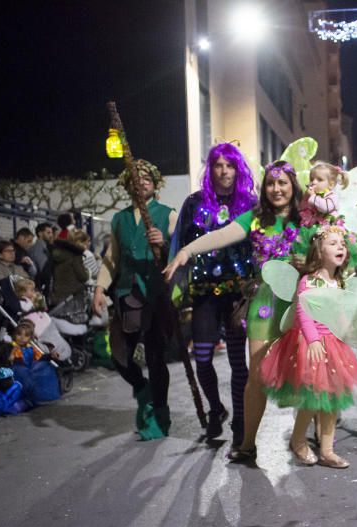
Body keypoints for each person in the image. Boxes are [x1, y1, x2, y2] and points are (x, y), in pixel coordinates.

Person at [164, 160, 304, 459]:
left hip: (301, 303)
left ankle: (302, 440)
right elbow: (222, 235)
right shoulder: (255, 217)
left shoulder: (306, 218)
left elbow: (333, 247)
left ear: (293, 187)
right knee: (257, 375)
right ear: (263, 188)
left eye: (282, 183)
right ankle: (247, 443)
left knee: (309, 372)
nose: (276, 189)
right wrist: (187, 251)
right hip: (265, 302)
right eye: (271, 183)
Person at [171, 142, 257, 444]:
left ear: (238, 169)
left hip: (237, 295)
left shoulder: (249, 204)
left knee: (237, 362)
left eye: (230, 165)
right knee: (203, 357)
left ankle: (241, 423)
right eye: (218, 165)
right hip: (205, 294)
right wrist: (176, 291)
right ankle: (216, 409)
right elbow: (178, 247)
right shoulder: (194, 203)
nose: (224, 171)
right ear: (210, 169)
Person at [260, 226, 357, 468]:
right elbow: (302, 311)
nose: (340, 247)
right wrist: (313, 339)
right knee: (312, 399)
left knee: (334, 399)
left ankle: (327, 449)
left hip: (335, 345)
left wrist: (348, 331)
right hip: (312, 345)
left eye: (342, 244)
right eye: (333, 243)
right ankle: (298, 440)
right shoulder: (310, 280)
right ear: (319, 250)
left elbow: (339, 312)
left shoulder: (337, 282)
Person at [93, 159, 177, 440]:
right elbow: (112, 259)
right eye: (135, 177)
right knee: (118, 355)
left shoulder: (168, 215)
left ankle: (159, 413)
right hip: (127, 293)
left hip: (155, 293)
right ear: (128, 185)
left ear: (155, 183)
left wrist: (163, 244)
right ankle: (143, 389)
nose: (141, 181)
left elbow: (182, 254)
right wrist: (99, 289)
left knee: (155, 357)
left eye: (146, 177)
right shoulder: (120, 219)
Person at [10, 320, 61, 405]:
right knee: (26, 378)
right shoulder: (11, 346)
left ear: (30, 338)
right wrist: (11, 355)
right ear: (14, 334)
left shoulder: (30, 348)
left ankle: (39, 396)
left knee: (44, 367)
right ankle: (26, 398)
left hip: (29, 369)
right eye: (19, 334)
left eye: (26, 335)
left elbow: (39, 358)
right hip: (17, 371)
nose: (22, 338)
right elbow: (7, 358)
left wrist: (50, 355)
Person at [299, 162, 348, 227]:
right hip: (314, 229)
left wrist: (313, 196)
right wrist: (305, 198)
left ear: (331, 185)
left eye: (319, 179)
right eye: (312, 179)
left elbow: (325, 208)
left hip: (329, 229)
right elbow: (302, 208)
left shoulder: (332, 196)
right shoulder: (313, 196)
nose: (313, 182)